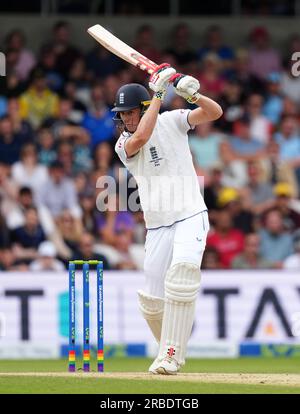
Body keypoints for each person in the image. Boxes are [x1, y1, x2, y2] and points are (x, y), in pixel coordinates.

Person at [113, 63, 222, 374]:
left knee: (182, 277)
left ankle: (172, 355)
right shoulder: (123, 144)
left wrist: (195, 95)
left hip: (190, 214)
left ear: (143, 107)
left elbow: (214, 113)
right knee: (151, 301)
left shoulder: (173, 120)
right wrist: (160, 92)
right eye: (121, 114)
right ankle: (169, 351)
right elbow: (143, 136)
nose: (125, 119)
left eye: (130, 113)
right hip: (158, 225)